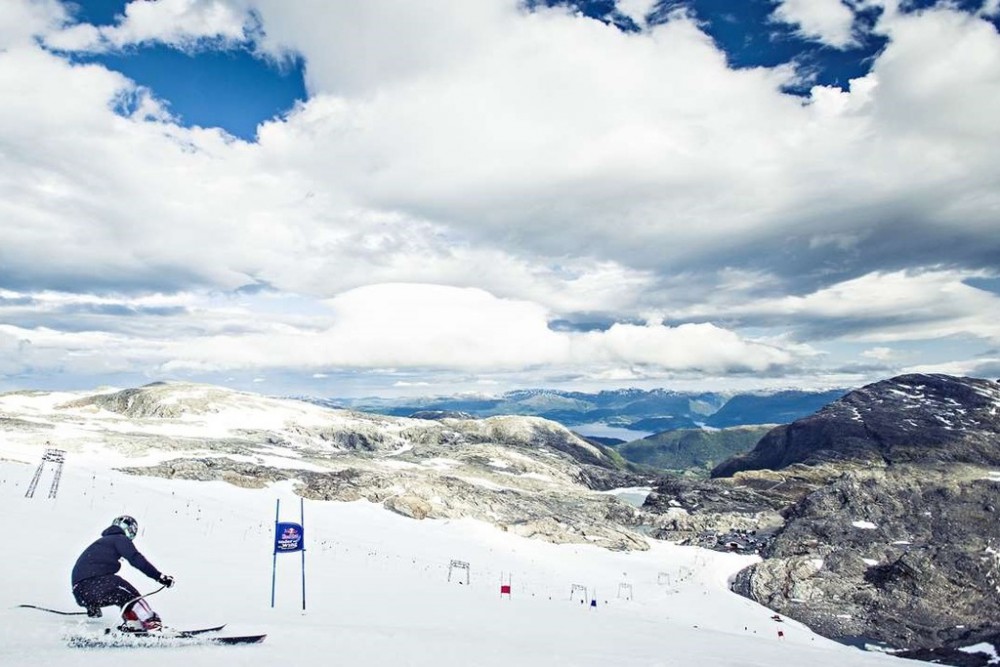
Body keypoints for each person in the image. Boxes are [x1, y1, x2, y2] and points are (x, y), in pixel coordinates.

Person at [71, 515, 175, 632]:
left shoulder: (101, 543)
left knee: (121, 595)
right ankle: (151, 622)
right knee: (125, 589)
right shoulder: (120, 538)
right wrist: (159, 577)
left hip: (81, 592)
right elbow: (135, 559)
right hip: (94, 583)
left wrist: (91, 605)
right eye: (132, 532)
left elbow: (82, 572)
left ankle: (133, 624)